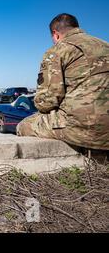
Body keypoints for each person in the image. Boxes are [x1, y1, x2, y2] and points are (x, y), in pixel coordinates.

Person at [17, 13, 109, 157]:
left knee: (23, 125)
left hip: (85, 128)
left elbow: (46, 102)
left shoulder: (58, 50)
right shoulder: (105, 44)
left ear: (56, 34)